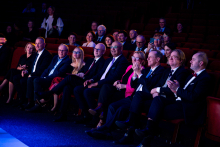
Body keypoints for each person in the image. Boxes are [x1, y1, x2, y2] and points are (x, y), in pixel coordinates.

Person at [85, 50, 165, 141]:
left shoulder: (161, 71)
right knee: (112, 106)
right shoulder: (147, 70)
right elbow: (134, 85)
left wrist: (139, 73)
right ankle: (107, 131)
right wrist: (135, 74)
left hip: (144, 99)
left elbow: (149, 87)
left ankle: (105, 130)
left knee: (121, 109)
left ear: (158, 59)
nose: (148, 58)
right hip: (135, 96)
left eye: (150, 57)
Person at [136, 52, 211, 146]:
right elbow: (181, 92)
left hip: (187, 108)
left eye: (193, 59)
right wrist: (176, 89)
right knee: (157, 101)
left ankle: (148, 135)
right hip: (178, 102)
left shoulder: (205, 78)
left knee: (156, 109)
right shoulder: (191, 75)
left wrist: (177, 89)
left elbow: (193, 97)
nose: (190, 61)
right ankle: (148, 132)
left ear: (201, 63)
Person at [36, 43, 106, 122]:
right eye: (95, 49)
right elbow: (84, 71)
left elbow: (98, 75)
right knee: (67, 87)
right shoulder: (90, 60)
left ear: (103, 52)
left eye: (98, 50)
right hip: (83, 79)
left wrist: (85, 77)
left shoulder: (103, 62)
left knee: (69, 78)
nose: (96, 51)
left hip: (90, 82)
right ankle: (64, 114)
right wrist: (81, 73)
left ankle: (50, 93)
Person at [73, 41, 129, 124]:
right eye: (111, 47)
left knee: (87, 92)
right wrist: (91, 80)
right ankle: (86, 115)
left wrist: (96, 83)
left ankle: (96, 117)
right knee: (77, 89)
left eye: (115, 47)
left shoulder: (122, 61)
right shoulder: (109, 59)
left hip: (107, 87)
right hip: (99, 84)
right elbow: (100, 74)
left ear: (121, 49)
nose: (112, 49)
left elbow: (114, 77)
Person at [88, 51, 146, 128]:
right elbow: (123, 79)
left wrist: (124, 86)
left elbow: (135, 88)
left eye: (137, 58)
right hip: (120, 89)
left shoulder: (142, 71)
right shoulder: (129, 67)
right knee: (106, 87)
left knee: (108, 99)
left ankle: (102, 121)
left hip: (127, 93)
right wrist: (119, 81)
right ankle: (100, 109)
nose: (134, 60)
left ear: (142, 60)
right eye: (133, 57)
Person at [25, 44, 72, 112]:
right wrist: (42, 77)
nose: (61, 52)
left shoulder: (68, 61)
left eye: (63, 50)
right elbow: (48, 69)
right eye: (59, 50)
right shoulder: (55, 57)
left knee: (36, 80)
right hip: (46, 77)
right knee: (30, 79)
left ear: (67, 52)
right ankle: (29, 102)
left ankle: (37, 105)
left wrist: (45, 78)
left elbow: (59, 73)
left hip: (53, 80)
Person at [40, 47, 85, 112]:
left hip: (75, 83)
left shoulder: (83, 64)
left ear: (81, 54)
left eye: (77, 52)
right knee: (59, 82)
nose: (75, 53)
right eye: (74, 52)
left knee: (57, 81)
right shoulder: (70, 63)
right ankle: (57, 107)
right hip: (66, 82)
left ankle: (49, 97)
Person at [16, 37, 52, 110]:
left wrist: (31, 74)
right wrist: (27, 71)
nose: (37, 45)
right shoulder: (36, 54)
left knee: (27, 80)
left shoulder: (47, 55)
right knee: (17, 78)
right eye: (36, 43)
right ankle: (23, 100)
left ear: (44, 44)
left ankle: (31, 102)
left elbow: (42, 69)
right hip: (32, 74)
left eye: (39, 43)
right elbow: (32, 67)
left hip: (40, 75)